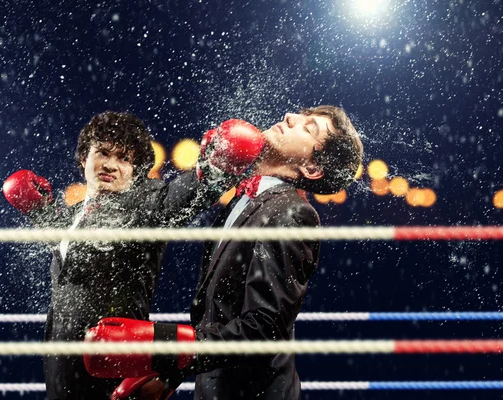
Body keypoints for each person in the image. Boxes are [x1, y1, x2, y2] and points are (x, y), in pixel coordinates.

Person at [83, 105, 363, 400]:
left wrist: (165, 348)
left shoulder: (292, 213)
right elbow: (220, 312)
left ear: (312, 169)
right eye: (300, 116)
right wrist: (169, 374)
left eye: (308, 128)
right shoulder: (244, 200)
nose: (290, 118)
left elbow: (264, 326)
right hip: (218, 388)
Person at [2, 111, 264, 400]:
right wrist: (38, 208)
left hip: (114, 370)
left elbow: (190, 191)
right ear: (83, 160)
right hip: (60, 375)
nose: (111, 165)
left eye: (124, 158)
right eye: (102, 152)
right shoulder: (74, 217)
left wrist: (221, 164)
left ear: (136, 169)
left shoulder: (148, 207)